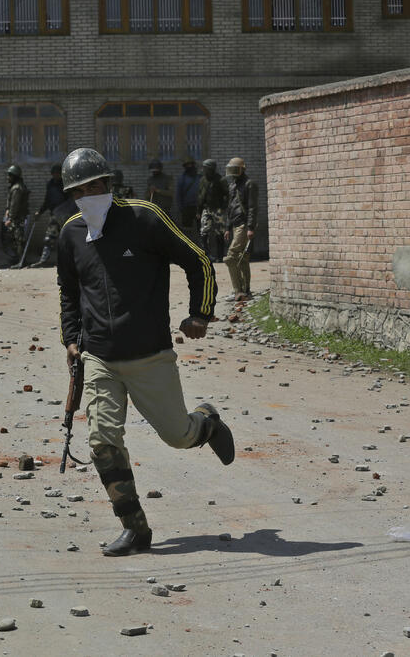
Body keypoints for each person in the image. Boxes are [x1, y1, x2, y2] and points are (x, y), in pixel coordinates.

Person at [56, 148, 235, 557]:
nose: (89, 194)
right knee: (102, 441)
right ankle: (135, 528)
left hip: (150, 354)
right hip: (99, 356)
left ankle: (205, 423)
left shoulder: (144, 218)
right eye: (79, 191)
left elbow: (199, 261)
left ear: (109, 183)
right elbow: (69, 290)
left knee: (177, 435)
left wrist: (200, 315)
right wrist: (71, 338)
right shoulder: (70, 233)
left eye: (96, 185)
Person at [223, 157, 258, 300]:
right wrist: (227, 227)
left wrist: (250, 227)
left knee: (231, 257)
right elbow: (230, 208)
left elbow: (252, 207)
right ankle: (245, 291)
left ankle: (238, 291)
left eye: (235, 169)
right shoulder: (232, 185)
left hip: (244, 225)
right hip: (235, 225)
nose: (232, 172)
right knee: (242, 258)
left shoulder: (250, 184)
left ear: (242, 169)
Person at [27, 163, 67, 268]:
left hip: (66, 216)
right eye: (54, 174)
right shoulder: (50, 184)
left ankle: (68, 260)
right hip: (54, 215)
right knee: (49, 238)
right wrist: (40, 212)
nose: (56, 175)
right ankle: (43, 260)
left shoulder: (66, 185)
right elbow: (47, 200)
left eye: (57, 173)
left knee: (66, 239)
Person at [197, 158, 229, 263]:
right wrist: (199, 211)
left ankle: (220, 256)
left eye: (205, 168)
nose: (204, 170)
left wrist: (223, 207)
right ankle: (207, 255)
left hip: (218, 210)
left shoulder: (221, 180)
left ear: (211, 169)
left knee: (219, 233)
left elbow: (227, 194)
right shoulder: (202, 180)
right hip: (206, 209)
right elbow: (200, 196)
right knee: (204, 232)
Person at [2, 164, 29, 266]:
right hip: (16, 218)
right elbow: (10, 203)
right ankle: (18, 259)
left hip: (18, 218)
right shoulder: (15, 187)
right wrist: (7, 210)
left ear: (15, 176)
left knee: (18, 240)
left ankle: (21, 261)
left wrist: (10, 218)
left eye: (10, 175)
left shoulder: (17, 188)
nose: (8, 178)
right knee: (15, 239)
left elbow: (15, 205)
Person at [174, 157, 201, 236]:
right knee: (186, 230)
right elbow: (178, 194)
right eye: (187, 165)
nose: (189, 166)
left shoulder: (200, 177)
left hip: (199, 207)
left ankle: (202, 246)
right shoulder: (182, 178)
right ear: (185, 166)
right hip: (187, 207)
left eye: (191, 164)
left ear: (193, 165)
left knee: (202, 229)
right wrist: (181, 208)